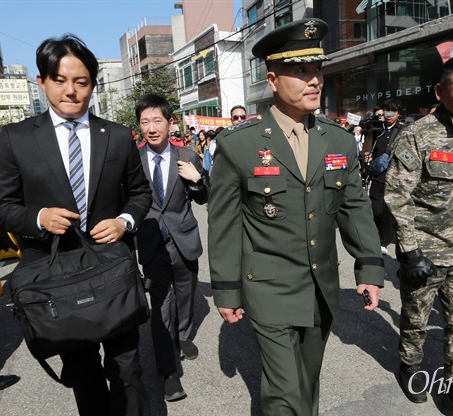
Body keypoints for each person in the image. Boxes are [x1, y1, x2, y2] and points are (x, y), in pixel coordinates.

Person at [207, 18, 384, 416]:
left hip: (321, 286)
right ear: (272, 80)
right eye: (300, 72)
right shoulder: (240, 144)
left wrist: (370, 267)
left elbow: (355, 207)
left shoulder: (338, 140)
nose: (314, 80)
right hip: (268, 288)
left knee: (307, 378)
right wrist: (226, 289)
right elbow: (223, 225)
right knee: (284, 392)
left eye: (316, 70)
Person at [0, 34, 152, 416]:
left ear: (93, 85)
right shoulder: (16, 139)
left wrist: (124, 221)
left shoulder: (116, 135)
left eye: (81, 82)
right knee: (83, 371)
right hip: (55, 278)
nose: (71, 91)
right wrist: (38, 218)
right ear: (42, 81)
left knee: (127, 367)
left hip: (112, 270)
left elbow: (140, 194)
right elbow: (0, 208)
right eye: (60, 80)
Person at [385, 54, 453, 415]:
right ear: (440, 92)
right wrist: (410, 251)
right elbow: (397, 196)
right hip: (426, 254)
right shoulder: (416, 135)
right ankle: (410, 367)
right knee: (416, 321)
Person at [135, 94, 207, 402]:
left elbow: (204, 198)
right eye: (145, 122)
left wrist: (197, 180)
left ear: (170, 123)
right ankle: (168, 372)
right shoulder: (132, 160)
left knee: (186, 294)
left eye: (157, 120)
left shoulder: (188, 156)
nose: (151, 128)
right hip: (152, 243)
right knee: (160, 307)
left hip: (185, 240)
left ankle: (183, 335)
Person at [365, 98, 403, 255]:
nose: (388, 115)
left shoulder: (402, 131)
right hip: (377, 175)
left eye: (391, 112)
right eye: (385, 111)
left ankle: (384, 241)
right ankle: (373, 236)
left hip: (394, 175)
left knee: (388, 210)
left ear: (398, 114)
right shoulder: (376, 128)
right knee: (375, 208)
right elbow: (367, 150)